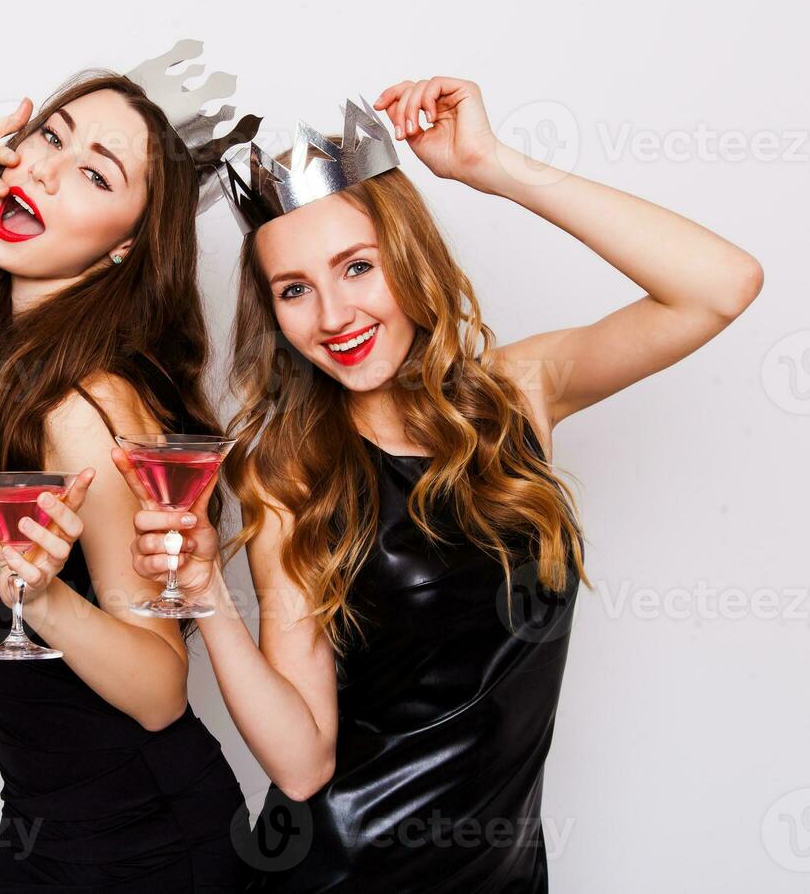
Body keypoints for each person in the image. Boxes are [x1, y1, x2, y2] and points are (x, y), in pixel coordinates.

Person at [117, 77, 764, 892]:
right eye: (294, 290)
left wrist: (495, 166)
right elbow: (303, 761)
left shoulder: (519, 391)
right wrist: (206, 592)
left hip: (506, 875)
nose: (332, 315)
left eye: (357, 267)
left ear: (409, 257)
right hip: (344, 871)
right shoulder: (288, 476)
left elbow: (721, 284)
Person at [0, 49, 259, 891]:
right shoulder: (4, 366)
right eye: (48, 137)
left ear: (127, 246)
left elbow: (160, 687)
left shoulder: (86, 409)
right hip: (48, 822)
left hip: (141, 842)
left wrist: (44, 597)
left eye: (95, 175)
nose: (48, 171)